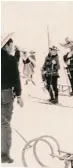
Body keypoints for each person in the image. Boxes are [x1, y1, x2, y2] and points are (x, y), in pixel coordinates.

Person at [1, 33, 24, 163]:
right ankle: (4, 155)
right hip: (5, 94)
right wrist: (19, 95)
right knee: (4, 124)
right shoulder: (10, 60)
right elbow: (16, 79)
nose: (12, 47)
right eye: (11, 45)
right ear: (7, 45)